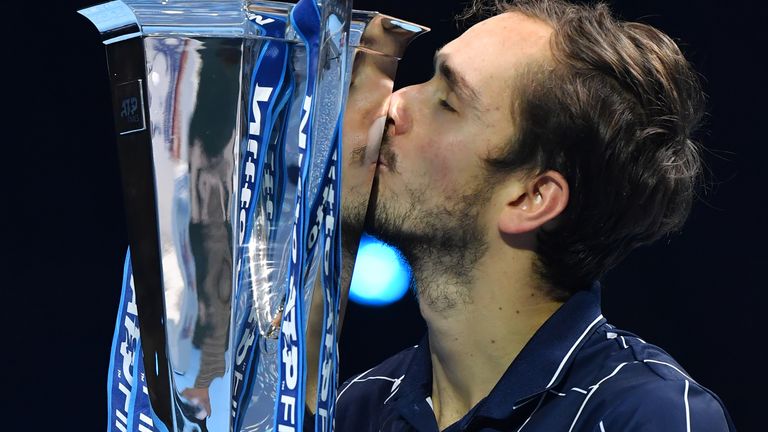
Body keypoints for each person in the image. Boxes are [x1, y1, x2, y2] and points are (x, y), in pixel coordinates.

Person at [335, 0, 736, 430]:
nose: (394, 105)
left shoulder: (647, 417)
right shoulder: (357, 405)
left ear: (532, 197)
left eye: (447, 102)